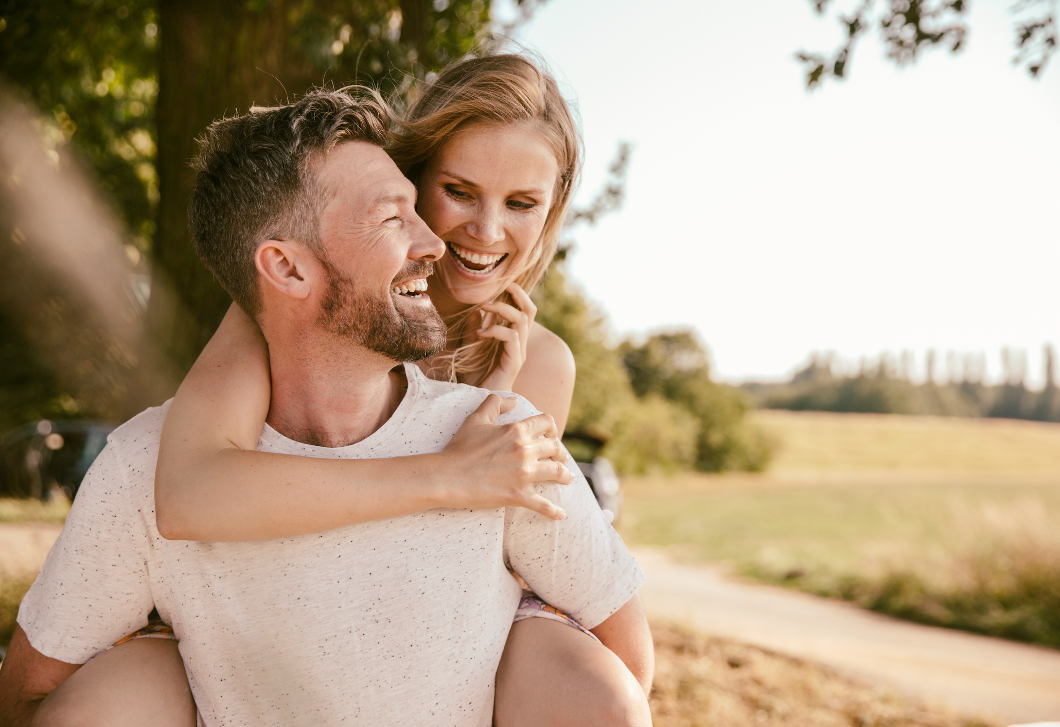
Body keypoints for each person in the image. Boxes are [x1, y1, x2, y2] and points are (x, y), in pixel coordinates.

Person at [0, 84, 652, 727]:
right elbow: (189, 489)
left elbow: (504, 553)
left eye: (521, 202)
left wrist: (491, 408)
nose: (485, 229)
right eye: (456, 192)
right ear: (410, 181)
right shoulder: (277, 310)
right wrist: (448, 473)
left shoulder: (536, 363)